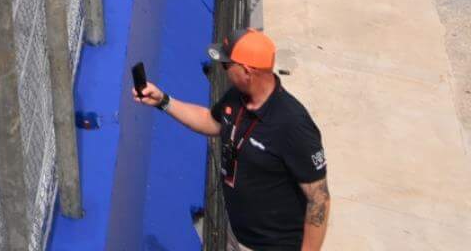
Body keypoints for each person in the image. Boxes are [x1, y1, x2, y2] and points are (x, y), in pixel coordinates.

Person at [134, 30, 330, 250]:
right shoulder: (237, 96)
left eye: (227, 65)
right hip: (236, 234)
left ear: (247, 71)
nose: (224, 70)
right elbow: (211, 120)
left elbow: (319, 199)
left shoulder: (293, 125)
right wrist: (163, 101)